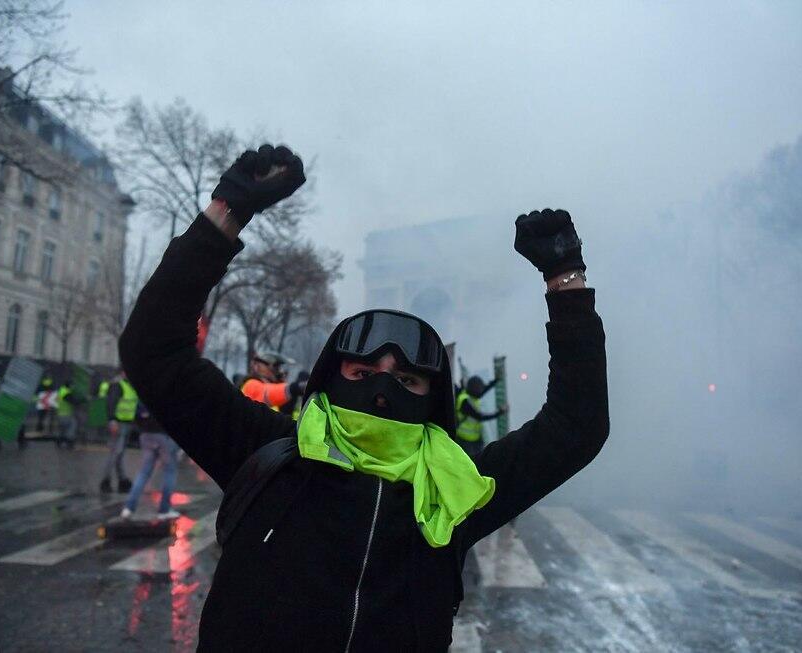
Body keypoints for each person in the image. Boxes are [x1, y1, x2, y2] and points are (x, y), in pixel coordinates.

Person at [120, 145, 609, 650]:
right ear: (331, 381)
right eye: (362, 371)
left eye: (407, 383)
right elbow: (154, 350)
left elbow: (575, 427)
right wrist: (226, 212)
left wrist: (566, 284)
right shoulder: (267, 457)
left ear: (432, 403)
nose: (381, 391)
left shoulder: (456, 491)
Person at [119, 403, 181, 520]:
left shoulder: (144, 392)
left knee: (144, 472)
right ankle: (164, 509)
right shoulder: (165, 392)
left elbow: (137, 415)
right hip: (163, 435)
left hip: (146, 435)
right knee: (169, 471)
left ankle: (128, 508)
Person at [99, 371, 137, 493]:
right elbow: (111, 403)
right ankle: (106, 481)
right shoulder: (118, 386)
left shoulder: (130, 386)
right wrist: (112, 421)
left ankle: (122, 480)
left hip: (127, 423)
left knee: (119, 454)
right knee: (115, 453)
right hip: (118, 423)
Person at [454, 375, 505, 456]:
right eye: (478, 389)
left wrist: (495, 381)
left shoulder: (471, 395)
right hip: (465, 440)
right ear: (474, 390)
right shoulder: (465, 401)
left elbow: (484, 390)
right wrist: (499, 413)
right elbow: (479, 417)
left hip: (475, 438)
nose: (480, 391)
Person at [239, 351, 306, 411]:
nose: (279, 371)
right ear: (260, 367)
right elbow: (267, 392)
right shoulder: (251, 384)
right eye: (275, 367)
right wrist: (293, 388)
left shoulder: (271, 386)